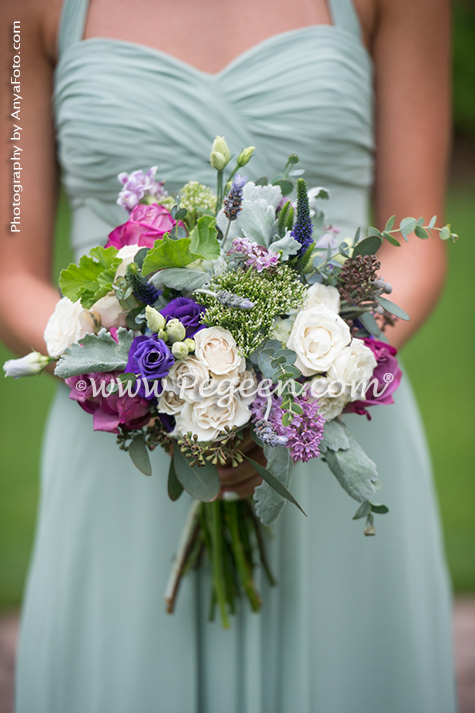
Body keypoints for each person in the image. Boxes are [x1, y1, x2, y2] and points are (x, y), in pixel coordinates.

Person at [0, 0, 457, 711]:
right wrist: (150, 384)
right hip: (127, 441)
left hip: (330, 431)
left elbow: (416, 236)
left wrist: (326, 360)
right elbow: (10, 270)